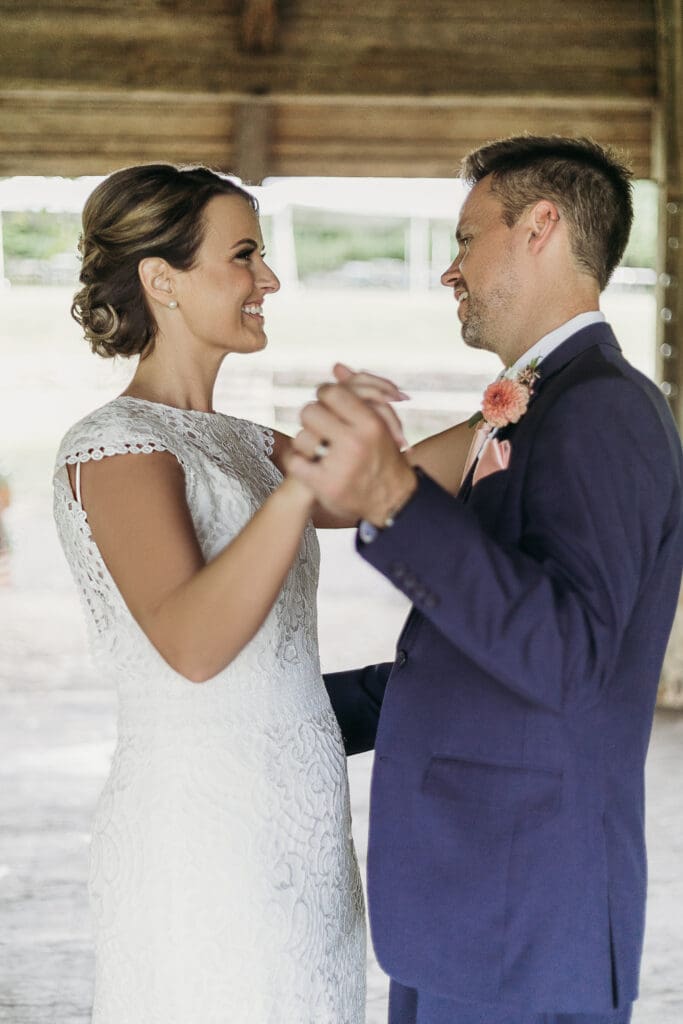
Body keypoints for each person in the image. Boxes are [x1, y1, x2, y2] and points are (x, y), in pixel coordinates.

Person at [286, 136, 683, 1024]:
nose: (448, 272)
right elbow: (484, 654)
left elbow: (569, 659)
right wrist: (290, 710)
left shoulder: (603, 409)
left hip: (523, 914)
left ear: (541, 225)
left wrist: (394, 493)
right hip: (474, 910)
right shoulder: (540, 397)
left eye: (467, 239)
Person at [52, 163, 412, 1023]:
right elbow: (191, 645)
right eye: (244, 254)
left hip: (301, 828)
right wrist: (297, 490)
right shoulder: (116, 445)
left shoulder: (244, 441)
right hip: (200, 839)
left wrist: (516, 400)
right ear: (161, 280)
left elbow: (389, 487)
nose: (269, 279)